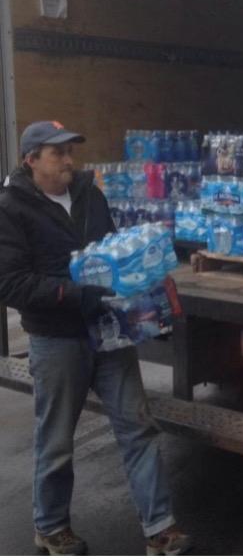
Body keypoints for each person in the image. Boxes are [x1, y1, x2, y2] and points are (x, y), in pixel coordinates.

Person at [0, 121, 192, 556]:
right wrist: (74, 293)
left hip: (109, 332)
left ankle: (161, 529)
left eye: (71, 151)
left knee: (137, 427)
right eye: (58, 153)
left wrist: (139, 285)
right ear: (32, 160)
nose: (69, 161)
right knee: (56, 439)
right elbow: (10, 283)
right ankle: (50, 529)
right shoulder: (11, 208)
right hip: (56, 339)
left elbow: (109, 253)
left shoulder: (90, 192)